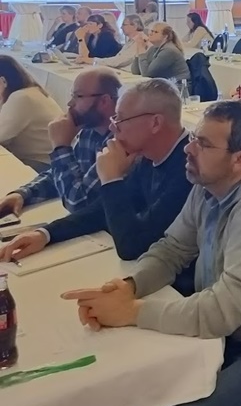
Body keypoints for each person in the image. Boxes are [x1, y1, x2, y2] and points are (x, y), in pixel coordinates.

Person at [62, 100, 241, 406]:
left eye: (204, 144)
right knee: (139, 391)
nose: (188, 148)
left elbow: (225, 309)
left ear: (240, 160)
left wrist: (132, 311)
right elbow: (172, 250)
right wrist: (130, 286)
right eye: (194, 138)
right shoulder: (208, 187)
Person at [0, 78, 192, 263]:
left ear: (155, 123)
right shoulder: (147, 156)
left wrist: (111, 180)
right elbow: (98, 212)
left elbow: (132, 246)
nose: (113, 128)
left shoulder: (189, 171)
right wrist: (45, 234)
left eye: (121, 119)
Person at [0, 68, 119, 217]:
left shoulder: (118, 142)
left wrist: (61, 146)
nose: (70, 103)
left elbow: (79, 204)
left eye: (78, 96)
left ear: (104, 101)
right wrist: (23, 194)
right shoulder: (89, 131)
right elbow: (61, 175)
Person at [0, 55, 63, 167]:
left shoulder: (21, 98)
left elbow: (1, 136)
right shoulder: (29, 91)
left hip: (43, 164)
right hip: (44, 160)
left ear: (3, 81)